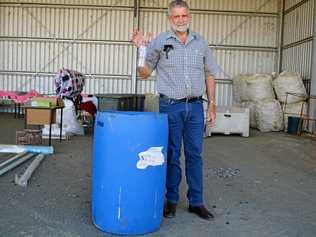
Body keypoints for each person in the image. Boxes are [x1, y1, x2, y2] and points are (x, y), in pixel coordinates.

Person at [132, 0, 219, 221]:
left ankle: (196, 202)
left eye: (184, 15)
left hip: (196, 107)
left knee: (194, 155)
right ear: (169, 18)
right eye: (176, 16)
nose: (180, 20)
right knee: (171, 154)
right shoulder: (160, 42)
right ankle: (170, 201)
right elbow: (143, 73)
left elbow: (210, 73)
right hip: (170, 106)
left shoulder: (201, 42)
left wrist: (212, 104)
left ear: (189, 16)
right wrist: (142, 48)